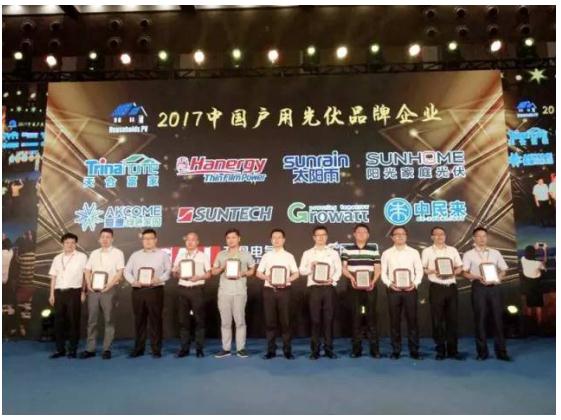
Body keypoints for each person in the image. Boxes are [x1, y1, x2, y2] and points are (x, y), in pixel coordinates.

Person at [462, 226, 511, 361]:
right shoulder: (469, 254)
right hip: (479, 287)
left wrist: (498, 278)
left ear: (487, 238)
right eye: (479, 236)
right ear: (474, 238)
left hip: (495, 287)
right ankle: (482, 352)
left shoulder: (495, 252)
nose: (482, 239)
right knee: (480, 319)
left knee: (498, 319)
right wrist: (477, 277)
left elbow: (504, 269)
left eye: (484, 236)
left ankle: (501, 352)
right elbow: (464, 273)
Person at [124, 229, 171, 358]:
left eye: (150, 238)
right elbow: (126, 271)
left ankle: (156, 349)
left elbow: (168, 271)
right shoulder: (135, 255)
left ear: (156, 240)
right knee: (139, 320)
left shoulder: (163, 255)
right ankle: (139, 348)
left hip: (155, 290)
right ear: (142, 240)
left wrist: (159, 279)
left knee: (155, 320)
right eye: (145, 239)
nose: (148, 241)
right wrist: (133, 281)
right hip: (138, 290)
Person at [80, 228, 125, 360]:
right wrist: (88, 284)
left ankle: (107, 349)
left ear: (112, 239)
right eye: (103, 237)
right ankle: (90, 349)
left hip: (109, 290)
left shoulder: (118, 253)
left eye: (108, 237)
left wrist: (109, 285)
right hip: (93, 290)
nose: (105, 239)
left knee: (109, 320)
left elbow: (119, 272)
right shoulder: (94, 253)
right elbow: (87, 270)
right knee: (92, 320)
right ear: (99, 239)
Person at [421, 226, 464, 360]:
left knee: (452, 319)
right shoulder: (427, 251)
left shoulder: (452, 250)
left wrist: (452, 272)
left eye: (442, 234)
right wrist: (434, 271)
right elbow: (423, 268)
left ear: (445, 236)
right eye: (437, 234)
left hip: (451, 287)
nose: (440, 236)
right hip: (436, 287)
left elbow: (460, 267)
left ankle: (453, 350)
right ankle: (440, 350)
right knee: (437, 320)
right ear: (432, 237)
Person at [299, 225, 342, 360]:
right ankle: (315, 350)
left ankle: (329, 349)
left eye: (323, 235)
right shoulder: (307, 253)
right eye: (318, 235)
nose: (321, 237)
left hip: (328, 288)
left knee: (328, 320)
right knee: (315, 320)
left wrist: (332, 280)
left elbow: (339, 270)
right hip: (314, 289)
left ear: (327, 237)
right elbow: (301, 270)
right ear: (314, 237)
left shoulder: (333, 253)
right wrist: (310, 267)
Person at [256, 228, 300, 360]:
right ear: (271, 240)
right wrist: (267, 277)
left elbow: (296, 273)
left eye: (279, 237)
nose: (276, 240)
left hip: (285, 291)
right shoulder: (266, 256)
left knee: (286, 322)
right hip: (269, 291)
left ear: (284, 240)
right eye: (274, 238)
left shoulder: (289, 256)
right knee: (270, 322)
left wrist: (288, 279)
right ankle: (271, 350)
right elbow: (258, 273)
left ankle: (287, 350)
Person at [380, 226, 423, 360]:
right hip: (393, 291)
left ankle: (414, 350)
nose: (400, 236)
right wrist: (389, 284)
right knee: (394, 321)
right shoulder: (386, 253)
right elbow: (383, 272)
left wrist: (415, 284)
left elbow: (419, 271)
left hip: (410, 290)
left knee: (412, 321)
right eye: (397, 234)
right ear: (392, 237)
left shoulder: (414, 252)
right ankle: (396, 350)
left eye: (403, 234)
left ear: (406, 236)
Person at [212, 228, 255, 358]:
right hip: (224, 292)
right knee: (225, 322)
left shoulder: (246, 255)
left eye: (233, 237)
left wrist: (243, 273)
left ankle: (241, 348)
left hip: (239, 292)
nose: (231, 240)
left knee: (240, 321)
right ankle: (226, 349)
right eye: (228, 238)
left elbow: (252, 270)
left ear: (239, 239)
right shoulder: (221, 255)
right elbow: (213, 271)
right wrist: (222, 267)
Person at [341, 223, 382, 358]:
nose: (361, 234)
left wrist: (373, 281)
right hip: (353, 286)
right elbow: (344, 268)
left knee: (371, 317)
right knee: (356, 317)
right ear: (354, 234)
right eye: (358, 232)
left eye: (364, 232)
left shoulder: (373, 250)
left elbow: (377, 268)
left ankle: (374, 349)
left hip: (370, 286)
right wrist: (351, 278)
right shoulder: (347, 249)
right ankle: (356, 349)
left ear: (368, 235)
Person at [48, 233, 88, 359]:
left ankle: (72, 349)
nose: (70, 245)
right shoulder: (57, 258)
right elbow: (53, 277)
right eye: (67, 243)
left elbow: (85, 276)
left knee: (73, 321)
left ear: (76, 244)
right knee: (58, 322)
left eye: (72, 243)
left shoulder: (82, 257)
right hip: (59, 292)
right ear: (63, 244)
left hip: (74, 292)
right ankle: (60, 349)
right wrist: (51, 294)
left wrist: (83, 292)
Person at [172, 231, 211, 358]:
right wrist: (176, 273)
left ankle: (199, 348)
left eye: (193, 239)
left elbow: (209, 274)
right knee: (183, 320)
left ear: (197, 242)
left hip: (197, 289)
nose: (190, 242)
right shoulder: (180, 255)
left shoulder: (203, 256)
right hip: (182, 289)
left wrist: (199, 277)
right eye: (188, 239)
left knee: (199, 320)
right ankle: (184, 348)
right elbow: (174, 274)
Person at [520, 244, 547, 330]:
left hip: (528, 285)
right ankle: (539, 325)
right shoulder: (538, 263)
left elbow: (528, 254)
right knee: (538, 305)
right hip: (537, 285)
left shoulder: (523, 259)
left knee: (529, 305)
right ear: (534, 253)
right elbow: (544, 265)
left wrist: (534, 248)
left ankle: (530, 325)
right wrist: (544, 250)